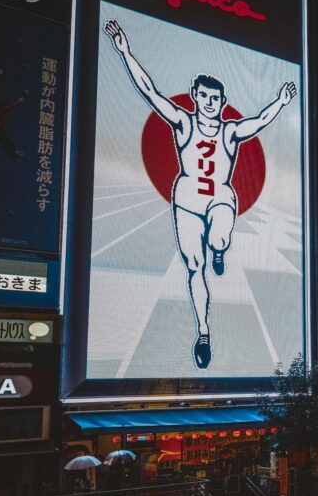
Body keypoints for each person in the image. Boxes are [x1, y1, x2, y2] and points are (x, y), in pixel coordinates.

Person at [103, 19, 297, 369]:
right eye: (204, 96)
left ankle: (220, 248)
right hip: (187, 200)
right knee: (194, 266)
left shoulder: (230, 130)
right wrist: (126, 52)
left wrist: (281, 102)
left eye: (216, 98)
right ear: (196, 96)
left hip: (220, 196)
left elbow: (260, 121)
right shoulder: (183, 122)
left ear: (223, 101)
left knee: (220, 238)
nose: (209, 102)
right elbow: (150, 92)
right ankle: (203, 331)